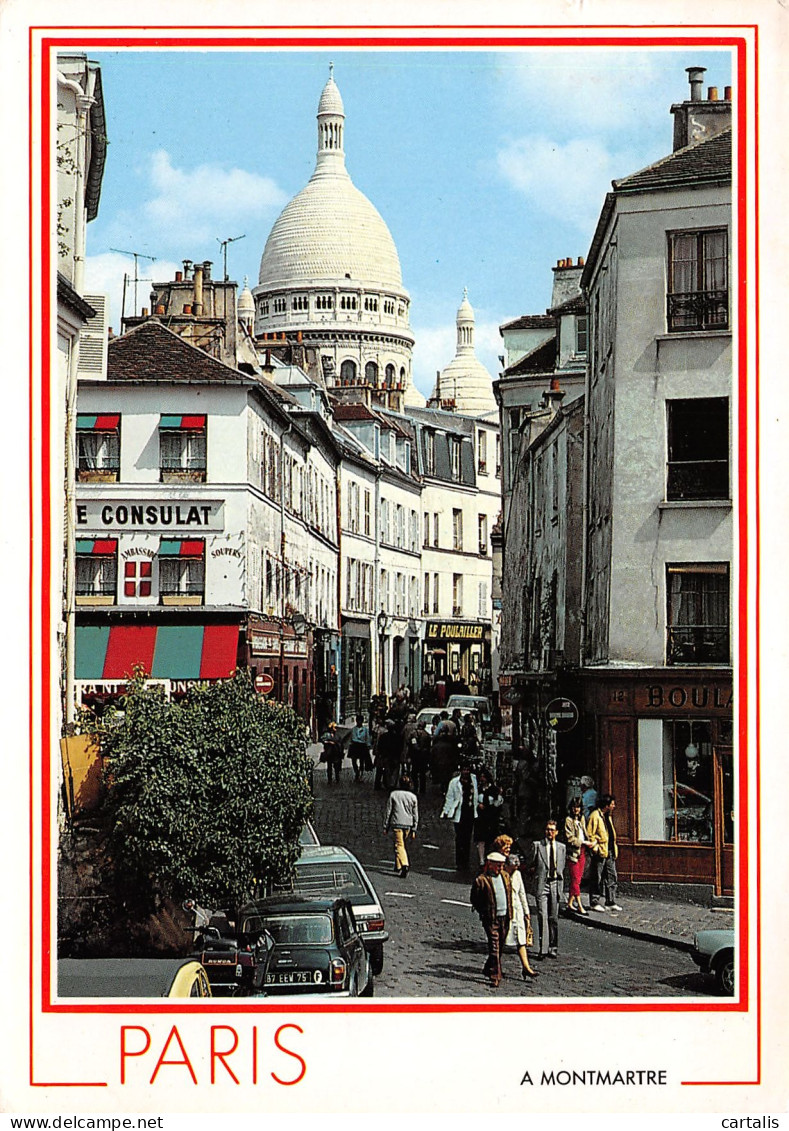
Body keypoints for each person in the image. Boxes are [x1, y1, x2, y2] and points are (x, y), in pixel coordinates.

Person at [469, 851, 512, 987]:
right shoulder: (481, 880)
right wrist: (483, 912)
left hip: (505, 917)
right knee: (494, 946)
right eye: (497, 865)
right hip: (491, 919)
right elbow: (474, 898)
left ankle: (488, 967)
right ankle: (495, 975)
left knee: (500, 944)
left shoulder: (505, 876)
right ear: (490, 864)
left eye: (502, 865)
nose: (500, 868)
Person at [530, 819, 566, 959]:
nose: (549, 832)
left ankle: (553, 946)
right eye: (547, 829)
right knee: (542, 916)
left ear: (556, 832)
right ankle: (543, 949)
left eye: (552, 830)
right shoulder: (538, 846)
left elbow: (562, 868)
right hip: (542, 885)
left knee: (554, 917)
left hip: (555, 884)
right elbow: (531, 864)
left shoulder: (561, 848)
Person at [503, 853, 538, 980]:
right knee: (501, 941)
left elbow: (522, 893)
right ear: (506, 866)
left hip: (517, 911)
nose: (514, 870)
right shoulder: (501, 875)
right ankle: (493, 966)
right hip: (505, 912)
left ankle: (526, 967)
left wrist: (526, 912)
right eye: (512, 868)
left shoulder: (517, 875)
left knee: (521, 940)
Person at [586, 794, 623, 912]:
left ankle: (610, 901)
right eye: (612, 804)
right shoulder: (595, 816)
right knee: (597, 877)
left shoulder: (608, 817)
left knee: (612, 876)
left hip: (610, 851)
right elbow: (590, 834)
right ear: (606, 805)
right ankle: (594, 901)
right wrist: (595, 848)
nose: (614, 806)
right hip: (600, 852)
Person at [440, 763, 479, 872]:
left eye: (468, 770)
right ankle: (459, 862)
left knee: (467, 838)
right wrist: (446, 810)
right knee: (460, 838)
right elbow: (450, 797)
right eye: (464, 769)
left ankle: (466, 861)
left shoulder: (474, 780)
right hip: (459, 813)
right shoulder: (454, 782)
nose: (466, 772)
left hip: (470, 813)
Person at [383, 775, 419, 878]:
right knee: (400, 844)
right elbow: (415, 814)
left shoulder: (394, 795)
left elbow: (388, 811)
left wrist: (386, 825)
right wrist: (414, 828)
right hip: (408, 824)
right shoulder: (413, 797)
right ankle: (397, 865)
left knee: (399, 845)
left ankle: (404, 864)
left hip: (397, 823)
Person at [564, 796, 592, 914]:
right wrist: (582, 842)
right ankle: (580, 905)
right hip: (573, 853)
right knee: (575, 879)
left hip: (582, 852)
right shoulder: (568, 821)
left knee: (578, 879)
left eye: (578, 807)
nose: (576, 809)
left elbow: (584, 833)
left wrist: (590, 841)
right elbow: (570, 838)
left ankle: (570, 903)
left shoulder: (581, 819)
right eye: (574, 807)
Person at [474, 767, 504, 866]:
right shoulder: (477, 789)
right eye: (481, 777)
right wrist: (478, 805)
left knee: (490, 838)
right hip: (481, 817)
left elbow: (497, 804)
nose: (482, 779)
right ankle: (481, 859)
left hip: (491, 817)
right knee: (481, 839)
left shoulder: (494, 789)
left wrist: (499, 795)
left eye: (484, 777)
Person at [409, 720, 431, 794]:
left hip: (415, 756)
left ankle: (416, 787)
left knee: (414, 772)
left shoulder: (413, 734)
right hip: (423, 756)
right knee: (422, 773)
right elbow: (428, 747)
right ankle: (422, 788)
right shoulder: (427, 735)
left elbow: (410, 744)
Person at [348, 714, 372, 781]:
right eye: (358, 721)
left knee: (362, 761)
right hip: (355, 746)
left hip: (362, 746)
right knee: (353, 761)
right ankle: (356, 772)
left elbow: (367, 738)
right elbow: (352, 738)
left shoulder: (365, 730)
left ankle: (361, 774)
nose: (359, 722)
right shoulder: (353, 729)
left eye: (360, 721)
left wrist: (368, 746)